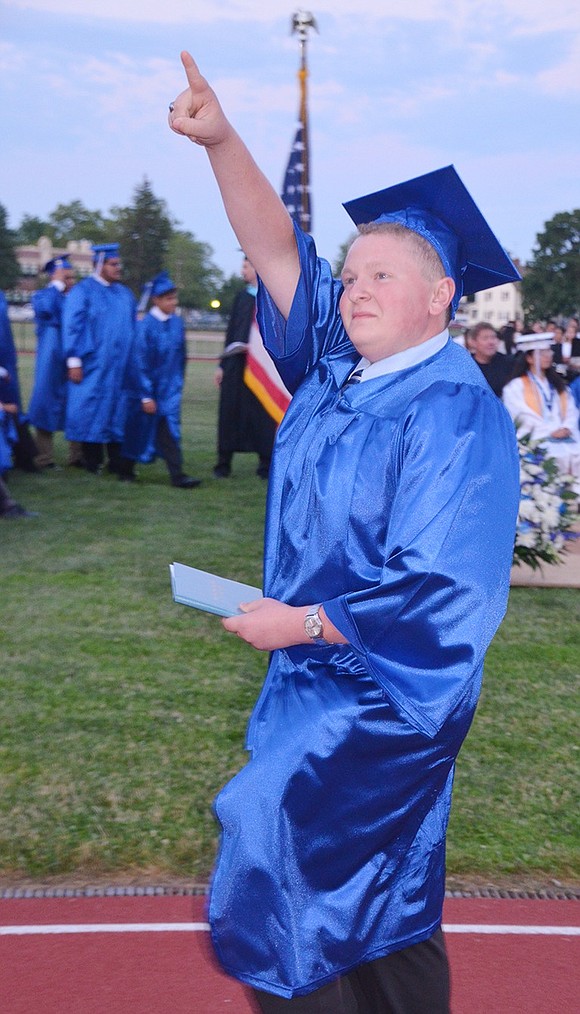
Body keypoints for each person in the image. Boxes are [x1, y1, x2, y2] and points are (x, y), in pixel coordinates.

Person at [169, 52, 521, 1011]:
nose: (354, 287)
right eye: (352, 271)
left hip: (388, 694)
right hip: (310, 679)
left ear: (441, 297)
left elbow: (445, 592)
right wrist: (224, 142)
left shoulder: (452, 411)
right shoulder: (339, 367)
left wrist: (307, 625)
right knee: (360, 904)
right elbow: (279, 251)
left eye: (381, 275)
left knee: (275, 838)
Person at [62, 243, 138, 476]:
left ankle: (116, 462)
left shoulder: (125, 294)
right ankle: (91, 461)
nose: (118, 268)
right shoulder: (82, 292)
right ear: (99, 264)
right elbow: (72, 326)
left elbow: (133, 329)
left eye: (119, 264)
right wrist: (73, 360)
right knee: (90, 409)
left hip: (120, 365)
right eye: (113, 264)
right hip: (93, 363)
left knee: (118, 409)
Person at [122, 271, 201, 488]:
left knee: (169, 430)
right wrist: (145, 394)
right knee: (139, 429)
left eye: (175, 298)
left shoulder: (177, 323)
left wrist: (178, 383)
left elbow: (181, 357)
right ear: (156, 300)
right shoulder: (145, 326)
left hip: (170, 389)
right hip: (148, 389)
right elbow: (138, 362)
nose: (173, 303)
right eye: (168, 299)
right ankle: (125, 468)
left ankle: (177, 475)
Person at [213, 255, 277, 479]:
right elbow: (231, 333)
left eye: (246, 265)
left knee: (263, 413)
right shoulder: (241, 298)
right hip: (236, 364)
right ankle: (223, 463)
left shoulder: (272, 298)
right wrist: (222, 364)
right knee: (229, 411)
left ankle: (265, 463)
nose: (242, 270)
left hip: (262, 366)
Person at [503, 332, 580, 495]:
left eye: (548, 352)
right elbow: (522, 416)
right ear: (529, 358)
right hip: (538, 439)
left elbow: (572, 411)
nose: (547, 356)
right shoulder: (515, 387)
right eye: (541, 353)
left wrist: (566, 427)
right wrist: (551, 431)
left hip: (566, 437)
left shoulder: (559, 385)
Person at [28, 256, 80, 468]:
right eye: (66, 277)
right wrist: (57, 285)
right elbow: (48, 308)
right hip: (50, 363)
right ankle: (44, 457)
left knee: (77, 406)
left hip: (73, 361)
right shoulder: (42, 296)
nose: (70, 281)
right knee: (46, 404)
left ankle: (77, 456)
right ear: (54, 277)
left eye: (72, 277)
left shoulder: (75, 299)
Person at [470, 320, 513, 396]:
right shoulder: (465, 365)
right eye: (485, 338)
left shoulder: (508, 363)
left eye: (493, 338)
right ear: (473, 342)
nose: (491, 342)